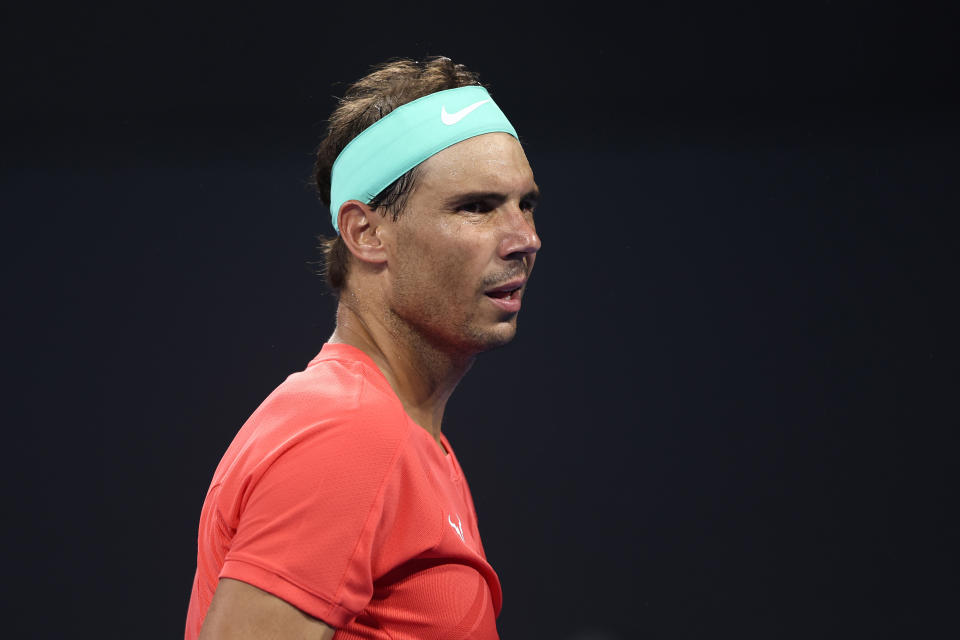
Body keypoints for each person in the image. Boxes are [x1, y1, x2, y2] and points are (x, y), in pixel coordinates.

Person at [184, 56, 541, 640]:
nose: (526, 239)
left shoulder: (406, 437)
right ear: (366, 233)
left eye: (525, 204)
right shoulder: (350, 434)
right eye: (475, 207)